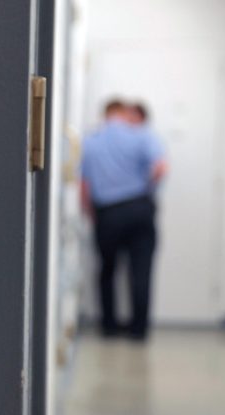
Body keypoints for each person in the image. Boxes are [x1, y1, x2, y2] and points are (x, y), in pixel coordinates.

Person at [81, 100, 166, 340]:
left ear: (106, 114)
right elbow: (161, 167)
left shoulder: (91, 141)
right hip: (139, 207)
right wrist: (145, 189)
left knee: (107, 270)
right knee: (141, 271)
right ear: (122, 113)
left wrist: (93, 214)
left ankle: (108, 327)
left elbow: (84, 187)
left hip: (107, 212)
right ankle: (138, 330)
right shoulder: (141, 135)